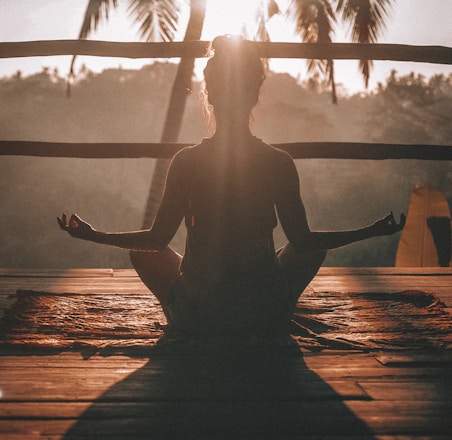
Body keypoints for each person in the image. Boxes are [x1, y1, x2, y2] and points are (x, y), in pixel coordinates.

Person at [58, 35, 405, 340]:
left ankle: (180, 316)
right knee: (311, 248)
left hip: (199, 315)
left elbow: (156, 240)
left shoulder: (187, 161)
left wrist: (93, 234)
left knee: (143, 253)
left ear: (210, 96)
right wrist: (371, 231)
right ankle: (280, 309)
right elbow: (304, 241)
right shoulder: (278, 161)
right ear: (254, 95)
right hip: (263, 313)